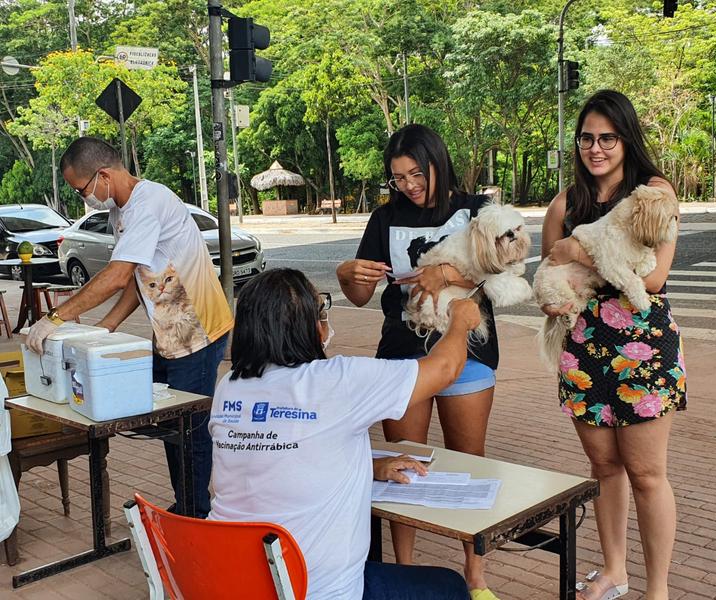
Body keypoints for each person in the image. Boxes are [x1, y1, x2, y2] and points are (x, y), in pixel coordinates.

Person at [208, 268, 480, 600]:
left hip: (230, 582)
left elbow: (280, 451)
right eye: (320, 310)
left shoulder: (229, 388)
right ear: (307, 325)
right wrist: (460, 320)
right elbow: (444, 369)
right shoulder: (338, 381)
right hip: (316, 590)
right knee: (448, 588)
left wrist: (372, 465)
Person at [26, 137, 232, 518]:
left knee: (189, 427)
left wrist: (56, 317)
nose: (83, 199)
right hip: (170, 330)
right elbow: (140, 279)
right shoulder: (123, 211)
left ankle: (195, 512)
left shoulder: (146, 205)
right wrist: (106, 327)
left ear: (103, 175)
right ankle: (187, 501)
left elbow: (118, 276)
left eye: (81, 190)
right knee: (174, 421)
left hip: (198, 330)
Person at [336, 124, 498, 599]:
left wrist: (443, 271)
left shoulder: (475, 210)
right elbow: (363, 295)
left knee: (472, 465)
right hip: (402, 356)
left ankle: (476, 576)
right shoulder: (384, 219)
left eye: (415, 173)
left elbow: (502, 264)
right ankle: (403, 571)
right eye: (398, 177)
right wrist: (349, 274)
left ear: (436, 162)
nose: (408, 184)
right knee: (402, 467)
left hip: (467, 350)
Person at [539, 90, 687, 600]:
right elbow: (550, 272)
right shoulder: (566, 202)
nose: (596, 148)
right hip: (583, 346)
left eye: (607, 138)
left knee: (647, 474)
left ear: (626, 139)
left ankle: (658, 590)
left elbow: (655, 276)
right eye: (587, 138)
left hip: (643, 346)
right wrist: (559, 289)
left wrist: (581, 249)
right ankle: (614, 571)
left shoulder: (653, 194)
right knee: (604, 468)